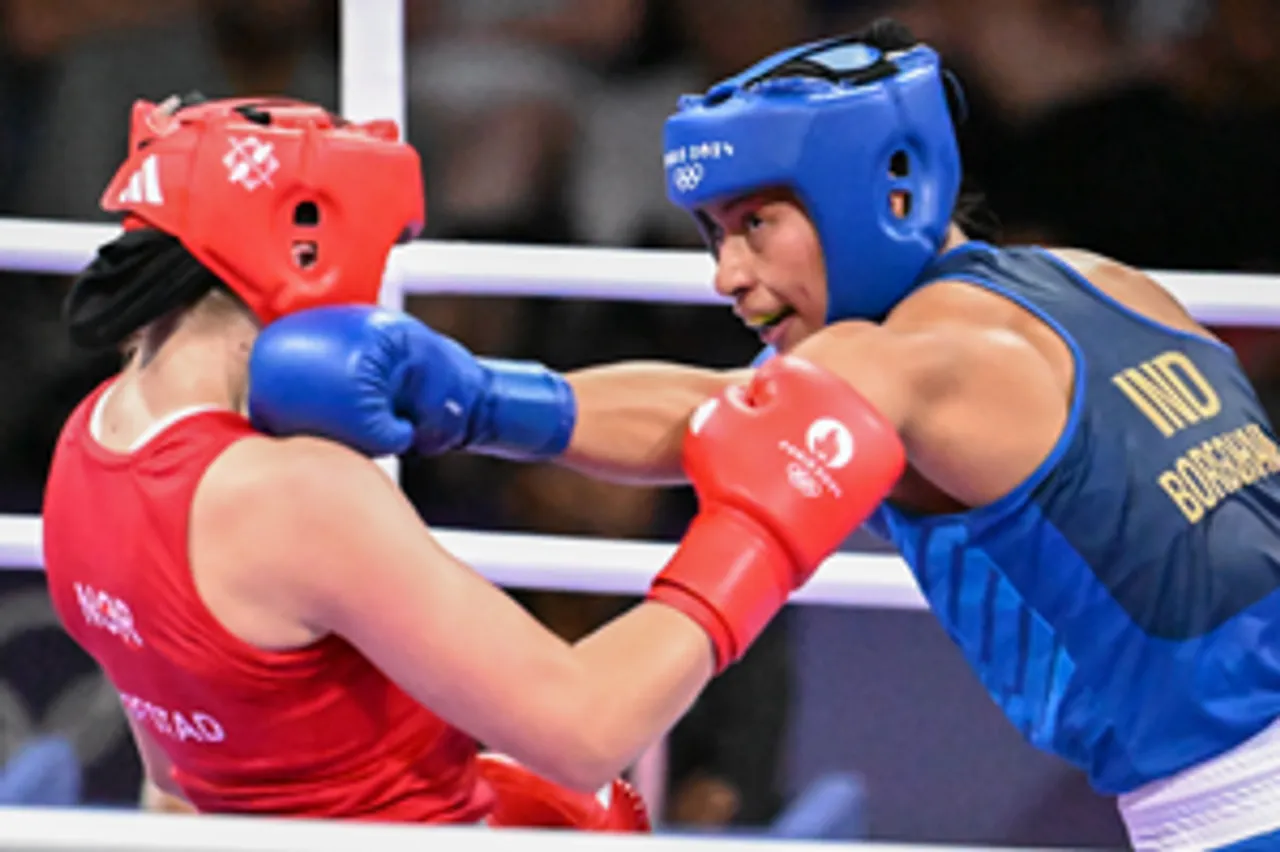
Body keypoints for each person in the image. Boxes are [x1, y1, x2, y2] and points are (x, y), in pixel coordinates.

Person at [247, 18, 1280, 851]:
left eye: (754, 226)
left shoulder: (895, 364)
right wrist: (477, 397)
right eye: (711, 236)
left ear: (883, 193)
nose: (725, 275)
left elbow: (719, 422)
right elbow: (721, 399)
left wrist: (473, 402)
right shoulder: (1097, 281)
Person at [40, 94, 902, 827]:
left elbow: (175, 777)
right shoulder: (288, 493)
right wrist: (759, 535)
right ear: (302, 246)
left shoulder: (86, 446)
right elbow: (589, 730)